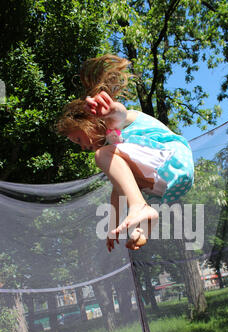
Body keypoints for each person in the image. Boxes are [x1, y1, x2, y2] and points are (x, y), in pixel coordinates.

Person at [56, 54, 194, 251]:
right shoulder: (116, 155)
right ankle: (141, 228)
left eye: (78, 139)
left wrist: (111, 109)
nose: (82, 147)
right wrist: (113, 226)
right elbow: (119, 192)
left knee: (102, 156)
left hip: (171, 159)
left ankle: (140, 208)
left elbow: (120, 113)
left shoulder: (114, 125)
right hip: (168, 181)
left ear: (88, 122)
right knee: (123, 184)